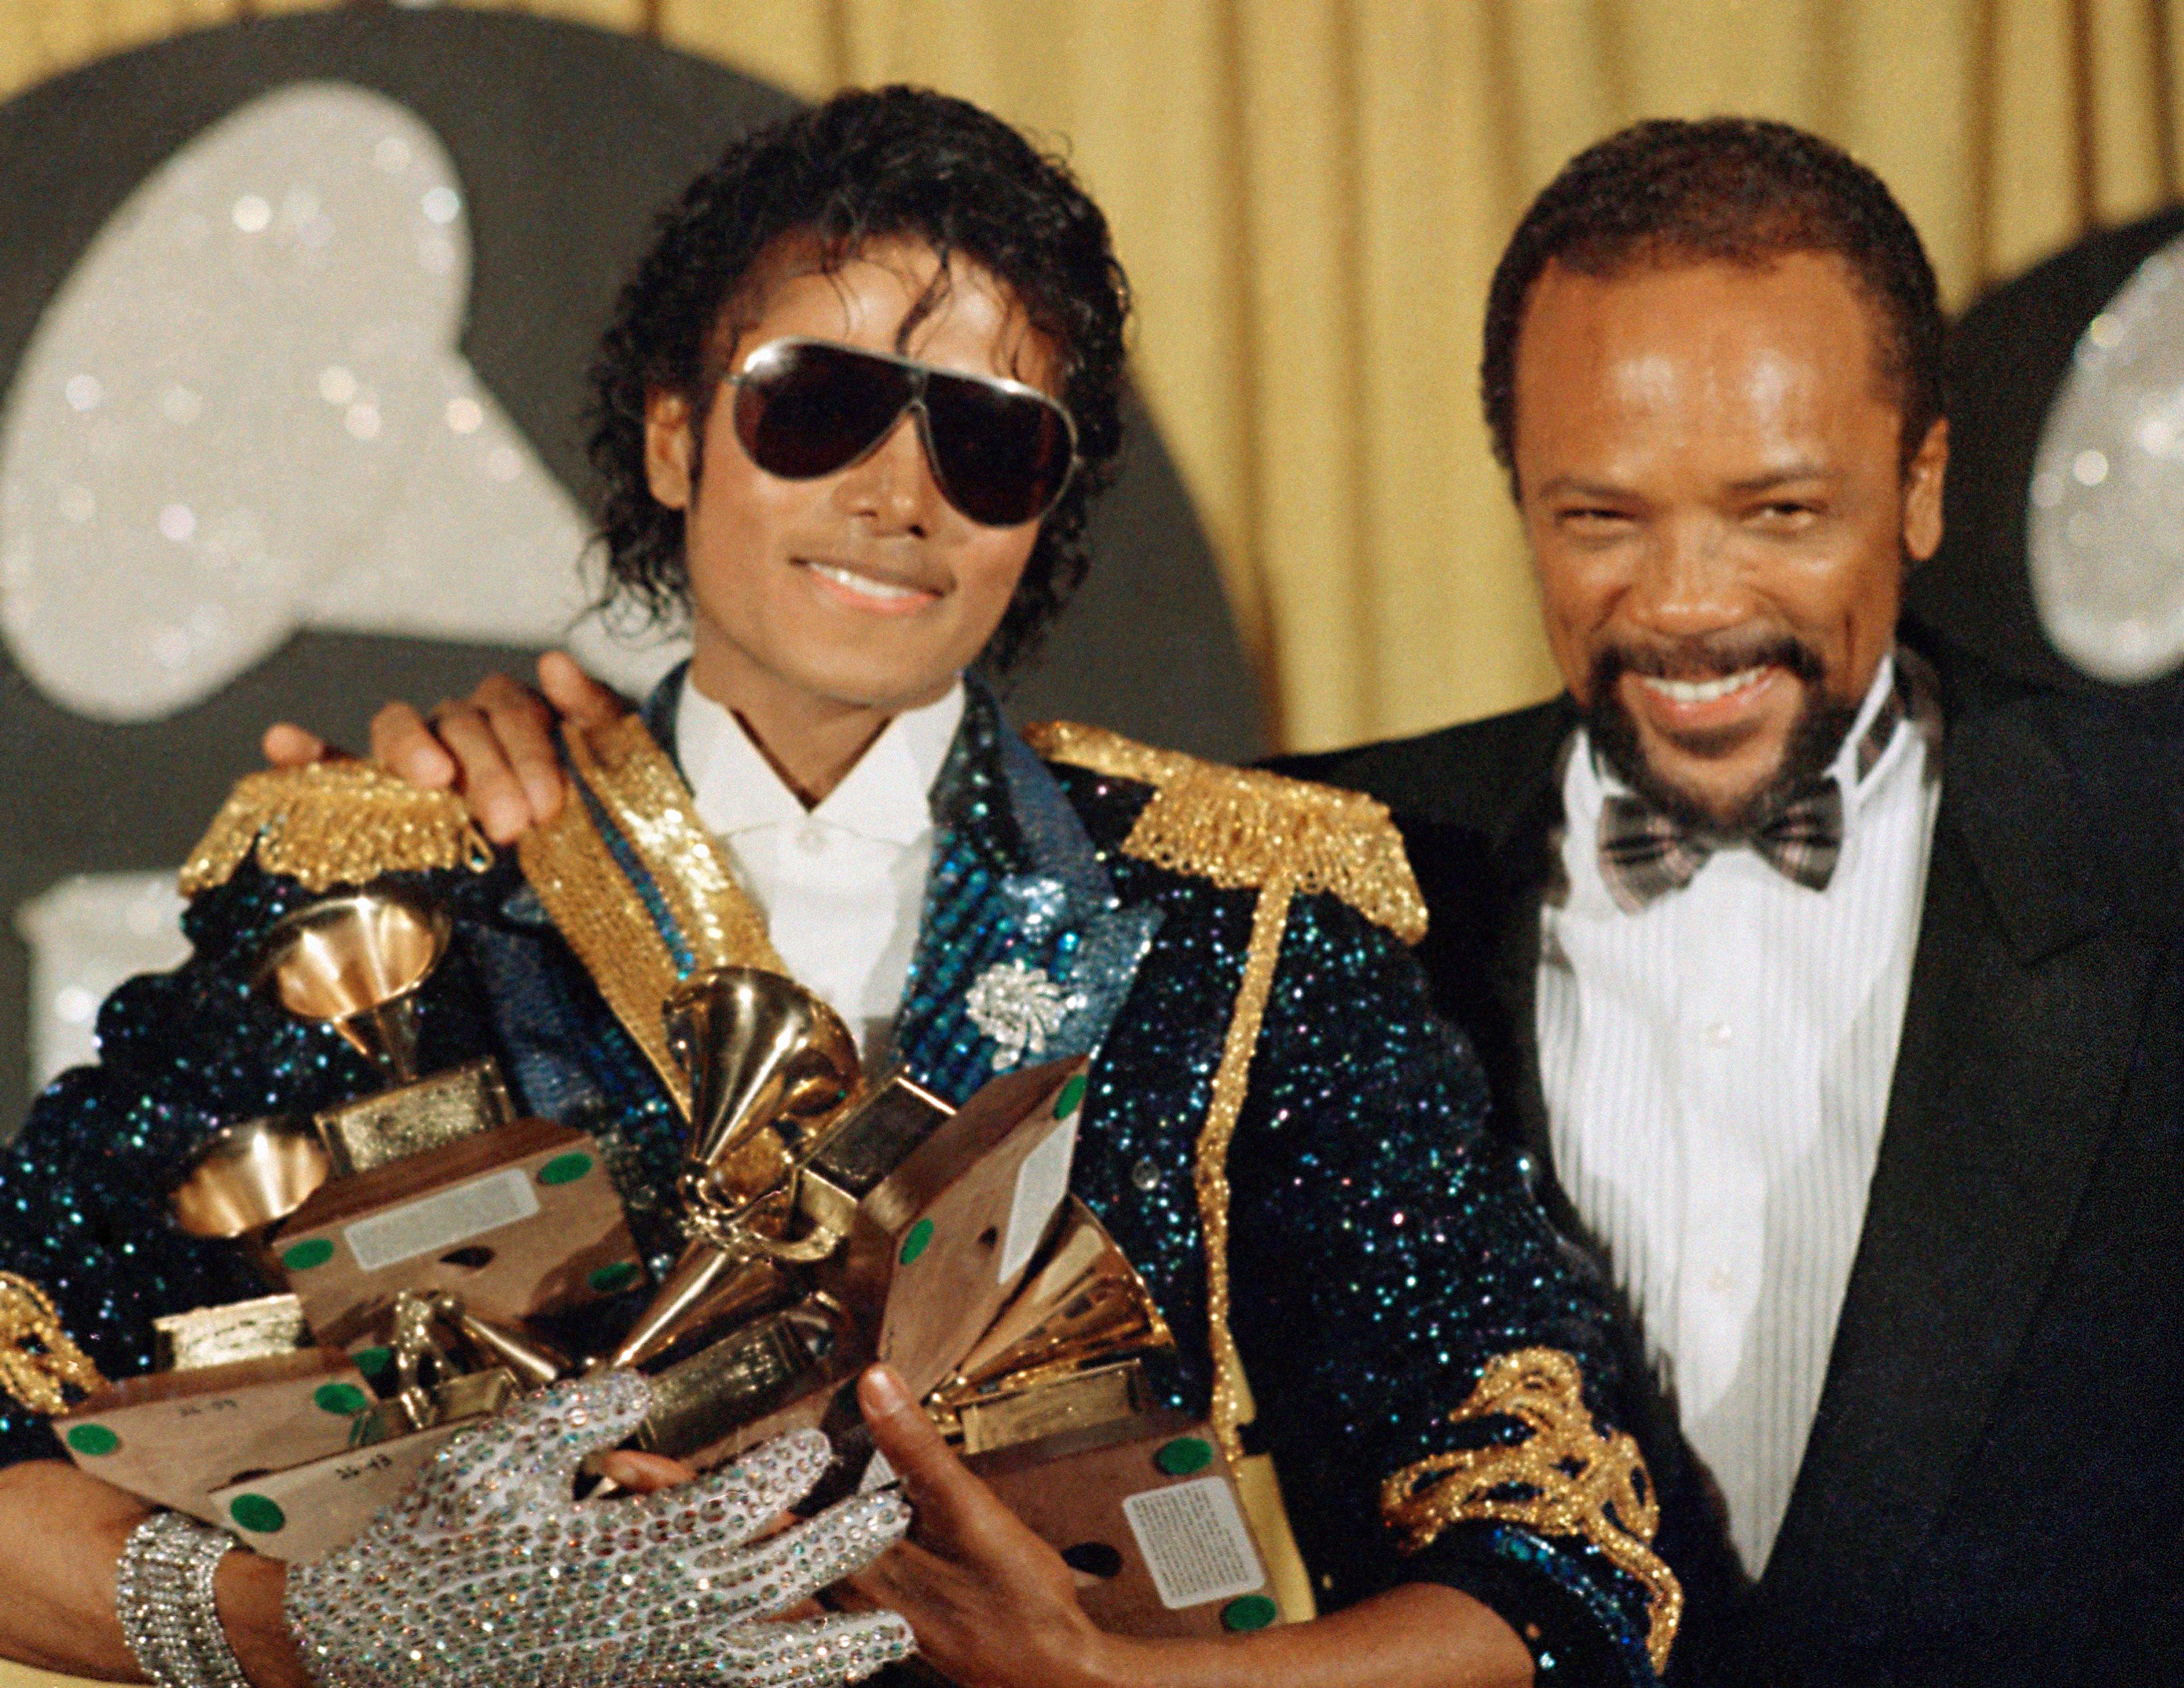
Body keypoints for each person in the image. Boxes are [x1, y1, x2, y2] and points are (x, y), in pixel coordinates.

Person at [379, 117, 2184, 1686]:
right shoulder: (1298, 869)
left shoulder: (2155, 846)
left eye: (1781, 511)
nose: (1692, 599)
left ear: (1924, 485)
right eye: (1601, 516)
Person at [0, 90, 1678, 1688]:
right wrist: (328, 1635)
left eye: (989, 441)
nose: (895, 495)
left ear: (1046, 516)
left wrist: (1102, 1680)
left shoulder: (1239, 922)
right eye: (815, 406)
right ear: (676, 435)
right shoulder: (391, 886)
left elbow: (1563, 1557)